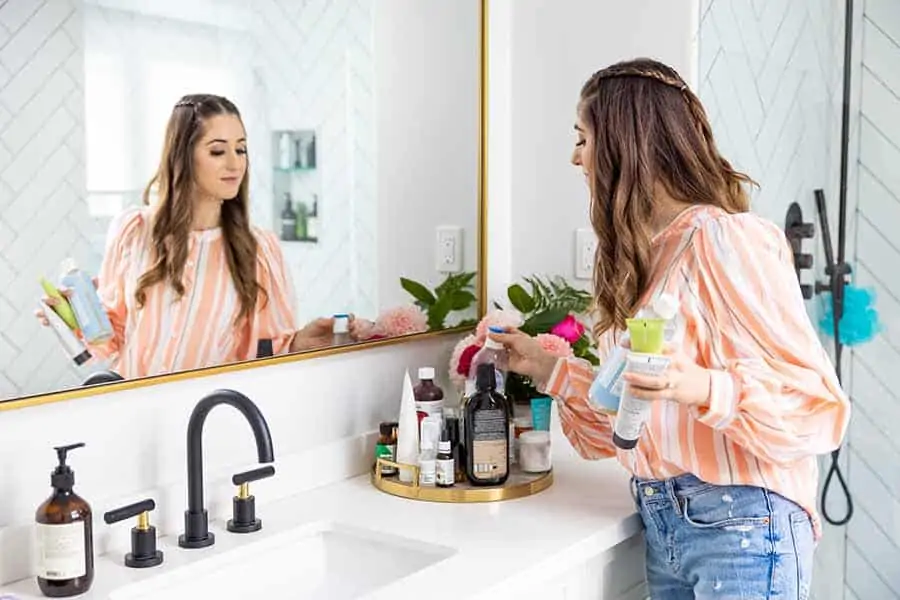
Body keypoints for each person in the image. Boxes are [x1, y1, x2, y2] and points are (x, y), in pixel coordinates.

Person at [491, 58, 850, 599]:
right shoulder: (641, 262)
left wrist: (701, 385)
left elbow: (817, 408)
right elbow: (622, 432)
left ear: (625, 143)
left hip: (743, 526)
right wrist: (549, 369)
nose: (575, 157)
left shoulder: (723, 242)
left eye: (583, 138)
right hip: (666, 523)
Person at [37, 93, 349, 379]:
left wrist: (300, 344)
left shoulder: (257, 250)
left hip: (207, 421)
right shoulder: (132, 231)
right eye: (217, 151)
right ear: (182, 155)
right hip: (128, 412)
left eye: (240, 149)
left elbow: (267, 352)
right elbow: (111, 339)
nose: (234, 163)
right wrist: (74, 321)